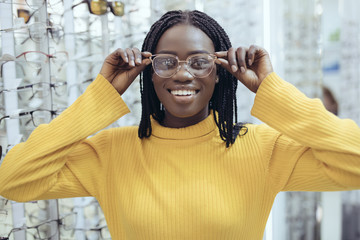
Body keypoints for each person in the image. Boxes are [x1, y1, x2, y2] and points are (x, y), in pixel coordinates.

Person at [0, 10, 360, 240]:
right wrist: (101, 96)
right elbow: (13, 180)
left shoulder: (262, 148)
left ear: (220, 73)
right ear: (149, 73)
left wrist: (271, 90)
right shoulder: (111, 153)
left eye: (200, 62)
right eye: (167, 62)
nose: (183, 73)